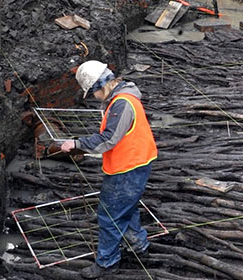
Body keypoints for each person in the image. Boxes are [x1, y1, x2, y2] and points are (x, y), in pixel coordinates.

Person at [60, 60, 157, 279]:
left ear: (100, 86)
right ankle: (138, 247)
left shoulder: (122, 103)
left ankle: (107, 263)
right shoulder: (121, 97)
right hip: (135, 163)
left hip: (128, 168)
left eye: (92, 93)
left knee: (110, 216)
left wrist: (77, 144)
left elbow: (109, 138)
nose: (93, 97)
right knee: (127, 208)